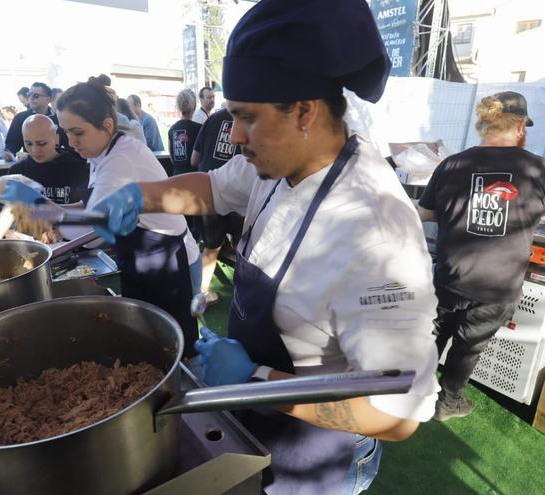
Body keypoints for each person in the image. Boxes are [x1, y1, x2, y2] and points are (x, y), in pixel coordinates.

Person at [85, 1, 440, 493]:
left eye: (246, 118)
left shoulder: (375, 236)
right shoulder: (276, 162)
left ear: (304, 111)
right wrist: (139, 194)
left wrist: (254, 378)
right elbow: (210, 187)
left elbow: (394, 414)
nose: (234, 134)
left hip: (320, 451)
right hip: (258, 421)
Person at [0, 78, 202, 354]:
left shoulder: (120, 162)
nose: (71, 142)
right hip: (146, 259)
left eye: (78, 133)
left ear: (107, 125)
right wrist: (50, 207)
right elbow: (91, 205)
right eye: (66, 132)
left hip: (169, 265)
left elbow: (92, 233)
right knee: (150, 342)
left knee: (174, 347)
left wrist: (42, 210)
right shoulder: (105, 151)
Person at [417, 92, 545, 422]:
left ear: (483, 124)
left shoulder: (452, 164)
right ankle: (448, 402)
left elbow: (424, 212)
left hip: (451, 275)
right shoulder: (541, 171)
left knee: (431, 334)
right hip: (498, 286)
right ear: (520, 126)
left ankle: (413, 391)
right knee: (469, 345)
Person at [0, 114, 89, 241]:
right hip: (33, 243)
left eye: (42, 143)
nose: (35, 150)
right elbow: (9, 213)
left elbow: (88, 208)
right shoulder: (18, 172)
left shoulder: (79, 167)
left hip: (73, 242)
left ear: (56, 138)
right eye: (28, 143)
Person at [190, 104, 243, 303]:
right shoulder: (251, 116)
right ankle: (242, 295)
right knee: (242, 247)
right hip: (237, 195)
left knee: (211, 246)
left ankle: (202, 292)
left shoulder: (211, 119)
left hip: (210, 193)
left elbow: (194, 159)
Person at [5, 82, 69, 158]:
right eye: (29, 95)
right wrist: (9, 154)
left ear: (48, 99)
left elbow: (69, 145)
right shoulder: (20, 118)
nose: (31, 98)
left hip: (56, 165)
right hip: (31, 165)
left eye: (36, 96)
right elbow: (12, 145)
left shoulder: (58, 118)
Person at [169, 89, 202, 176]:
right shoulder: (200, 128)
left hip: (176, 177)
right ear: (194, 106)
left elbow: (172, 159)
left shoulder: (172, 129)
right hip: (194, 177)